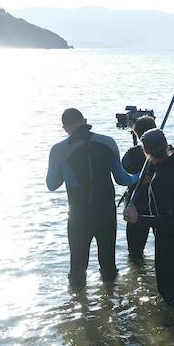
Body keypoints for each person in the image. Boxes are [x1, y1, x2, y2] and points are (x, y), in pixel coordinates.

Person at [46, 108, 138, 286]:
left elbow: (51, 185)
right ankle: (112, 304)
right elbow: (122, 179)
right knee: (108, 266)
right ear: (85, 120)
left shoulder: (58, 150)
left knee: (78, 268)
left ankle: (80, 307)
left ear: (65, 128)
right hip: (106, 213)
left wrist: (63, 168)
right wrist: (139, 176)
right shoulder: (108, 142)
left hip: (79, 216)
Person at [127, 128, 174, 308]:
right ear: (165, 145)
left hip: (169, 235)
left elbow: (165, 219)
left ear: (145, 151)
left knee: (166, 287)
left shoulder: (159, 179)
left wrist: (137, 219)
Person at [121, 115, 157, 260]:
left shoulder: (132, 153)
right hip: (158, 206)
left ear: (137, 134)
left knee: (135, 253)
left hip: (136, 205)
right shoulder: (168, 152)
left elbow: (123, 172)